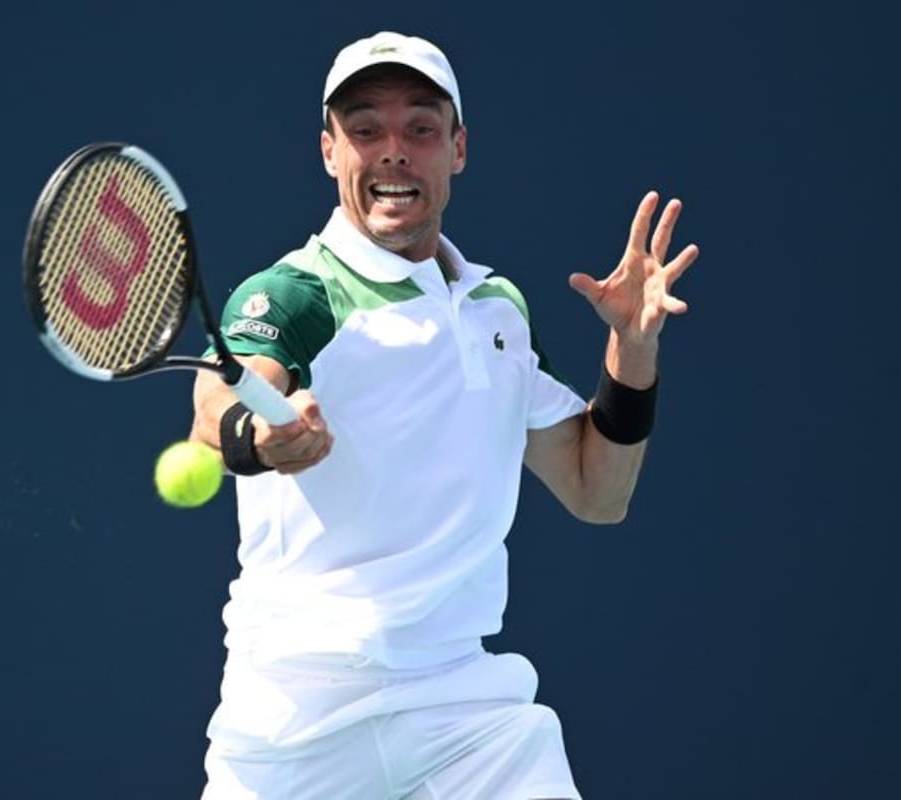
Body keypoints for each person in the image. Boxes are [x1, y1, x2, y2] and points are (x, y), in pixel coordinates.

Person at [189, 31, 698, 800]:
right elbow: (217, 403)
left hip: (464, 711)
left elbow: (599, 491)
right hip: (297, 717)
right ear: (330, 151)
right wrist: (260, 437)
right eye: (364, 129)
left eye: (420, 128)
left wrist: (631, 349)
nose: (393, 150)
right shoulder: (295, 292)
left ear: (457, 148)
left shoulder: (498, 309)